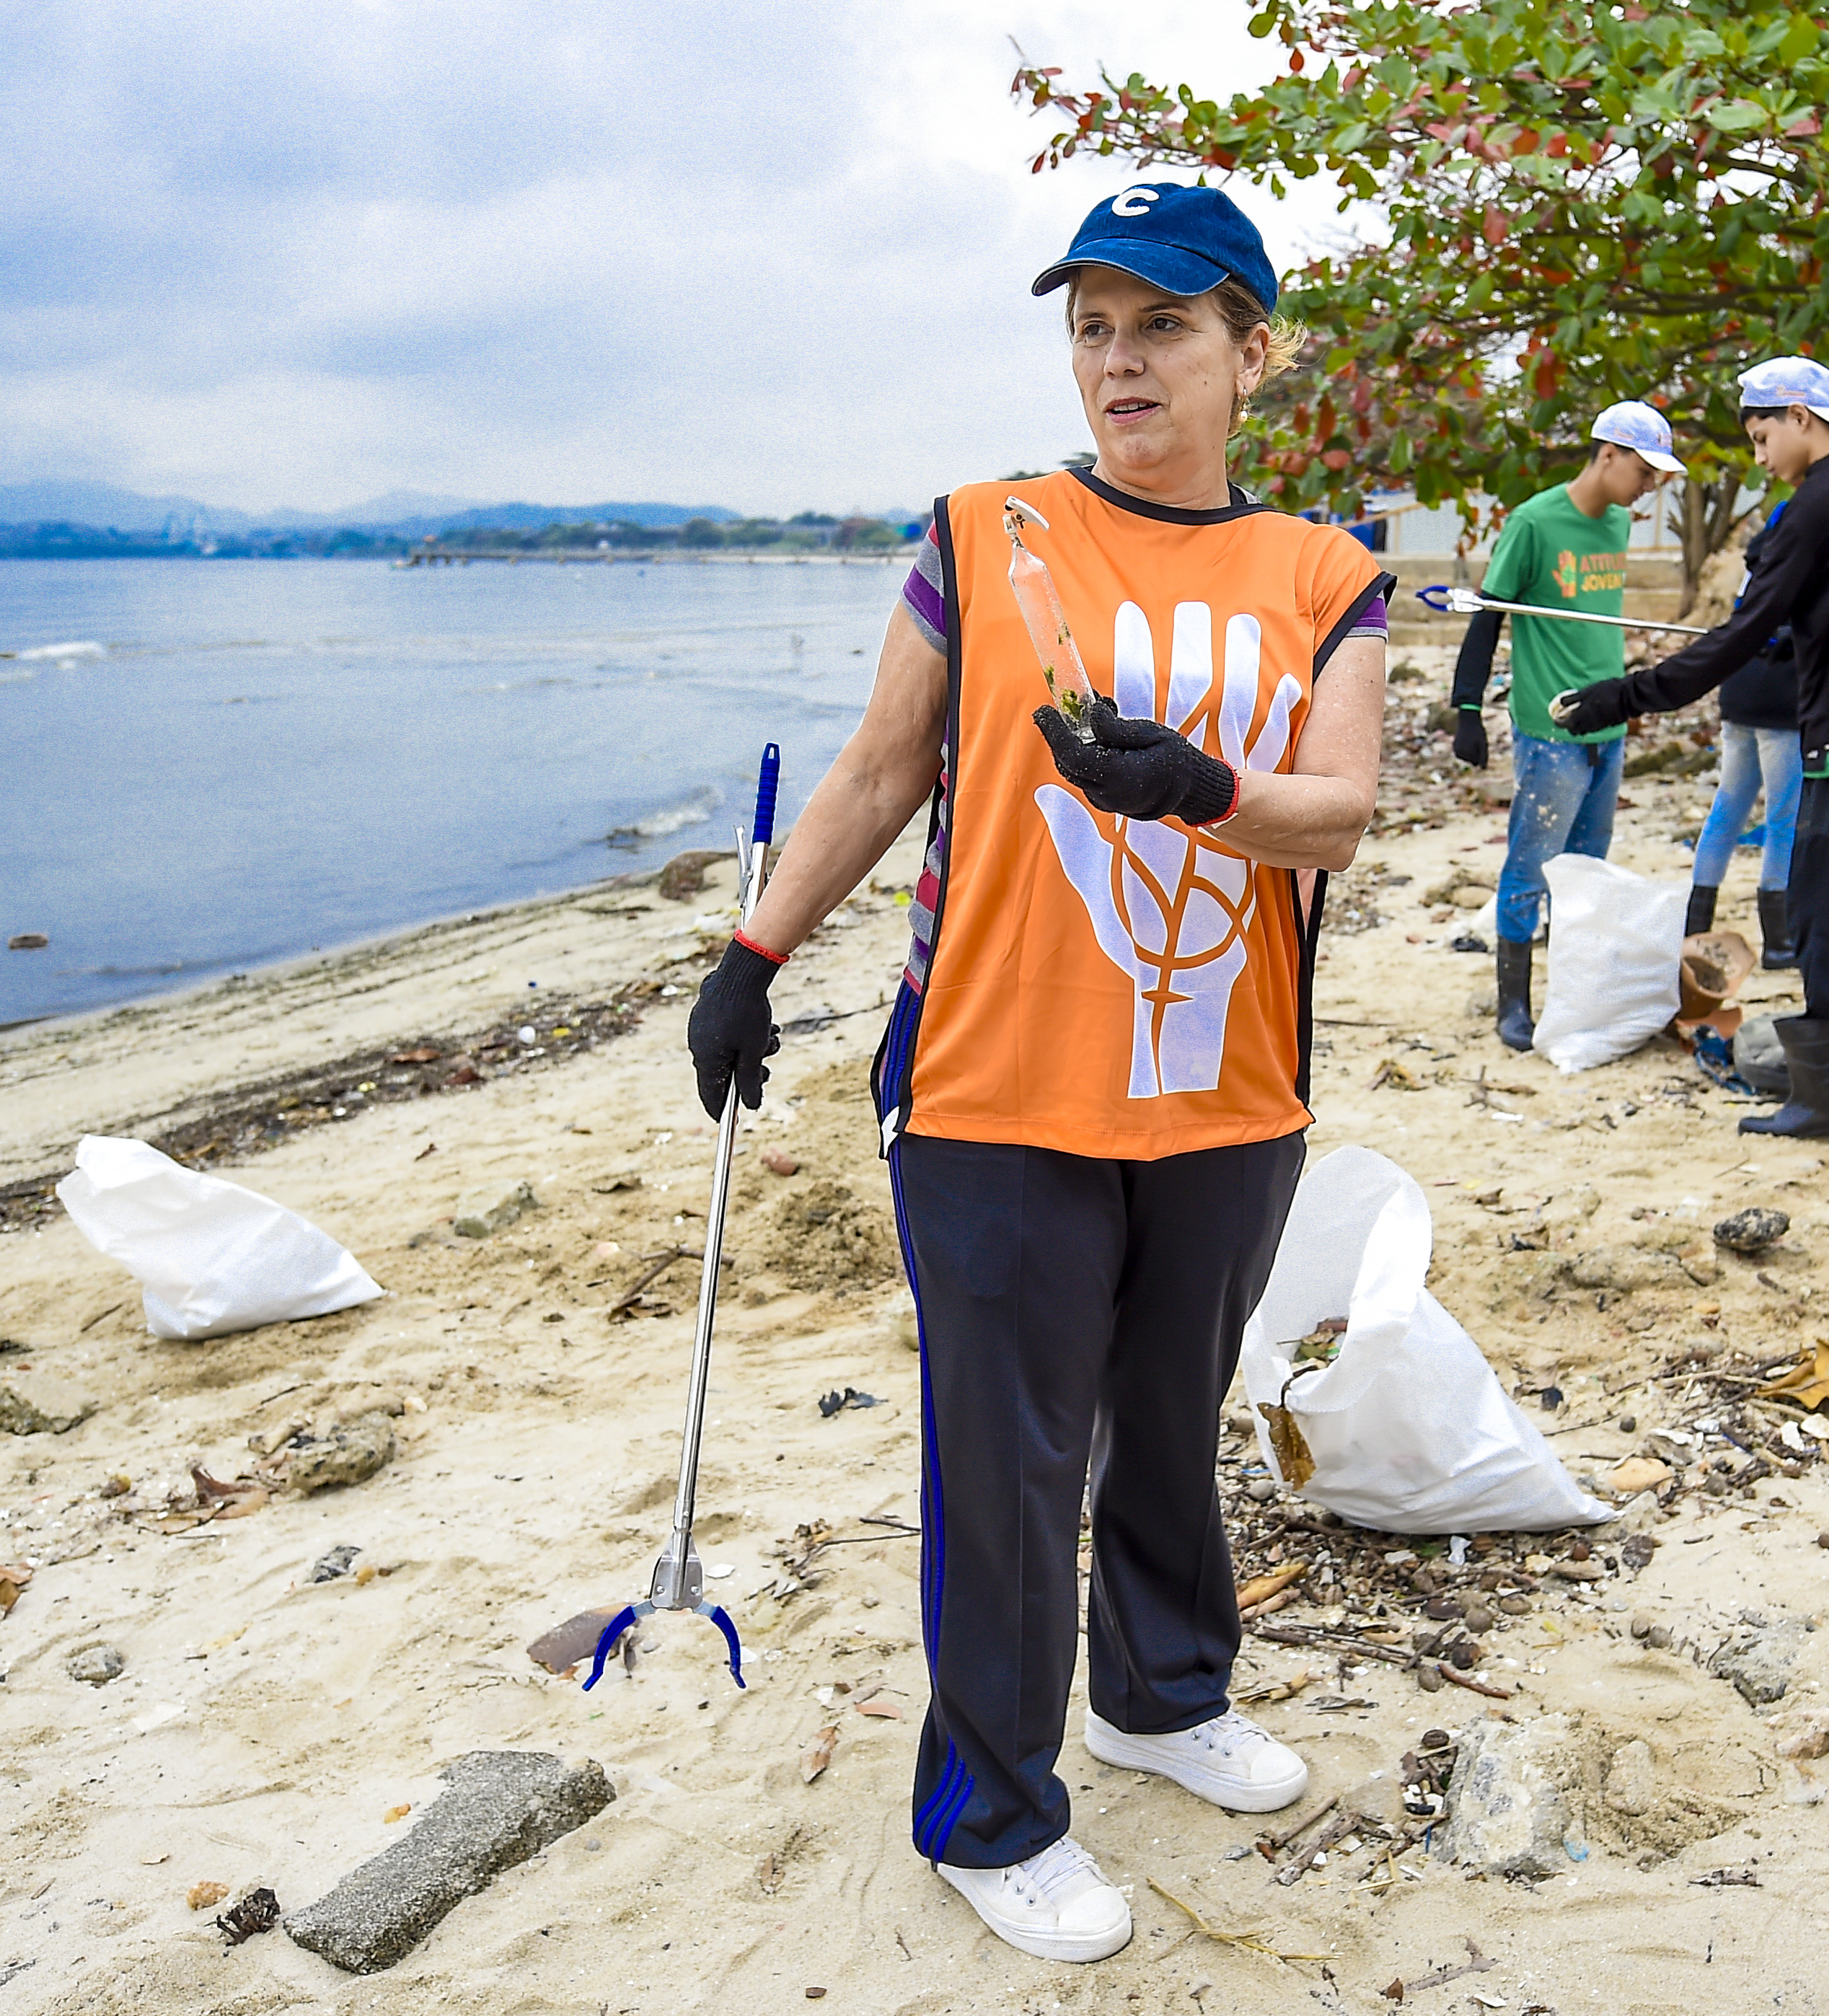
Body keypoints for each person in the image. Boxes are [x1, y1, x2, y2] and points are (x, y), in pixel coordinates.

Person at [684, 182, 1392, 1966]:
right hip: (995, 1087)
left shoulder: (1324, 574)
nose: (1120, 359)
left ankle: (1163, 1695)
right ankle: (989, 1814)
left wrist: (1194, 790)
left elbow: (1340, 818)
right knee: (1005, 1461)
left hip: (1227, 1094)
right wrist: (753, 954)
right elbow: (873, 772)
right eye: (1091, 324)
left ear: (1254, 345)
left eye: (1162, 323)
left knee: (1169, 1417)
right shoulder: (983, 532)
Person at [1550, 356, 1829, 1138]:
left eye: (1764, 435)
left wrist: (1624, 696)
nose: (1761, 456)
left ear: (1802, 416)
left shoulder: (1817, 506)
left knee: (1820, 914)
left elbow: (1738, 637)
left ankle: (1827, 1098)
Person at [1447, 401, 1684, 1049]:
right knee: (1532, 863)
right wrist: (1467, 707)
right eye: (1644, 470)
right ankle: (1513, 1006)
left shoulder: (1617, 524)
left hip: (1610, 724)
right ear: (1607, 454)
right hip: (1549, 730)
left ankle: (1573, 993)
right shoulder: (1534, 522)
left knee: (1587, 869)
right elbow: (1488, 615)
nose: (1650, 486)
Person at [1686, 500, 1802, 966]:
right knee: (1783, 819)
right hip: (1781, 703)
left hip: (1737, 694)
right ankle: (1779, 940)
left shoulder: (1754, 571)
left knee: (1727, 809)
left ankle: (1694, 927)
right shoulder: (1805, 565)